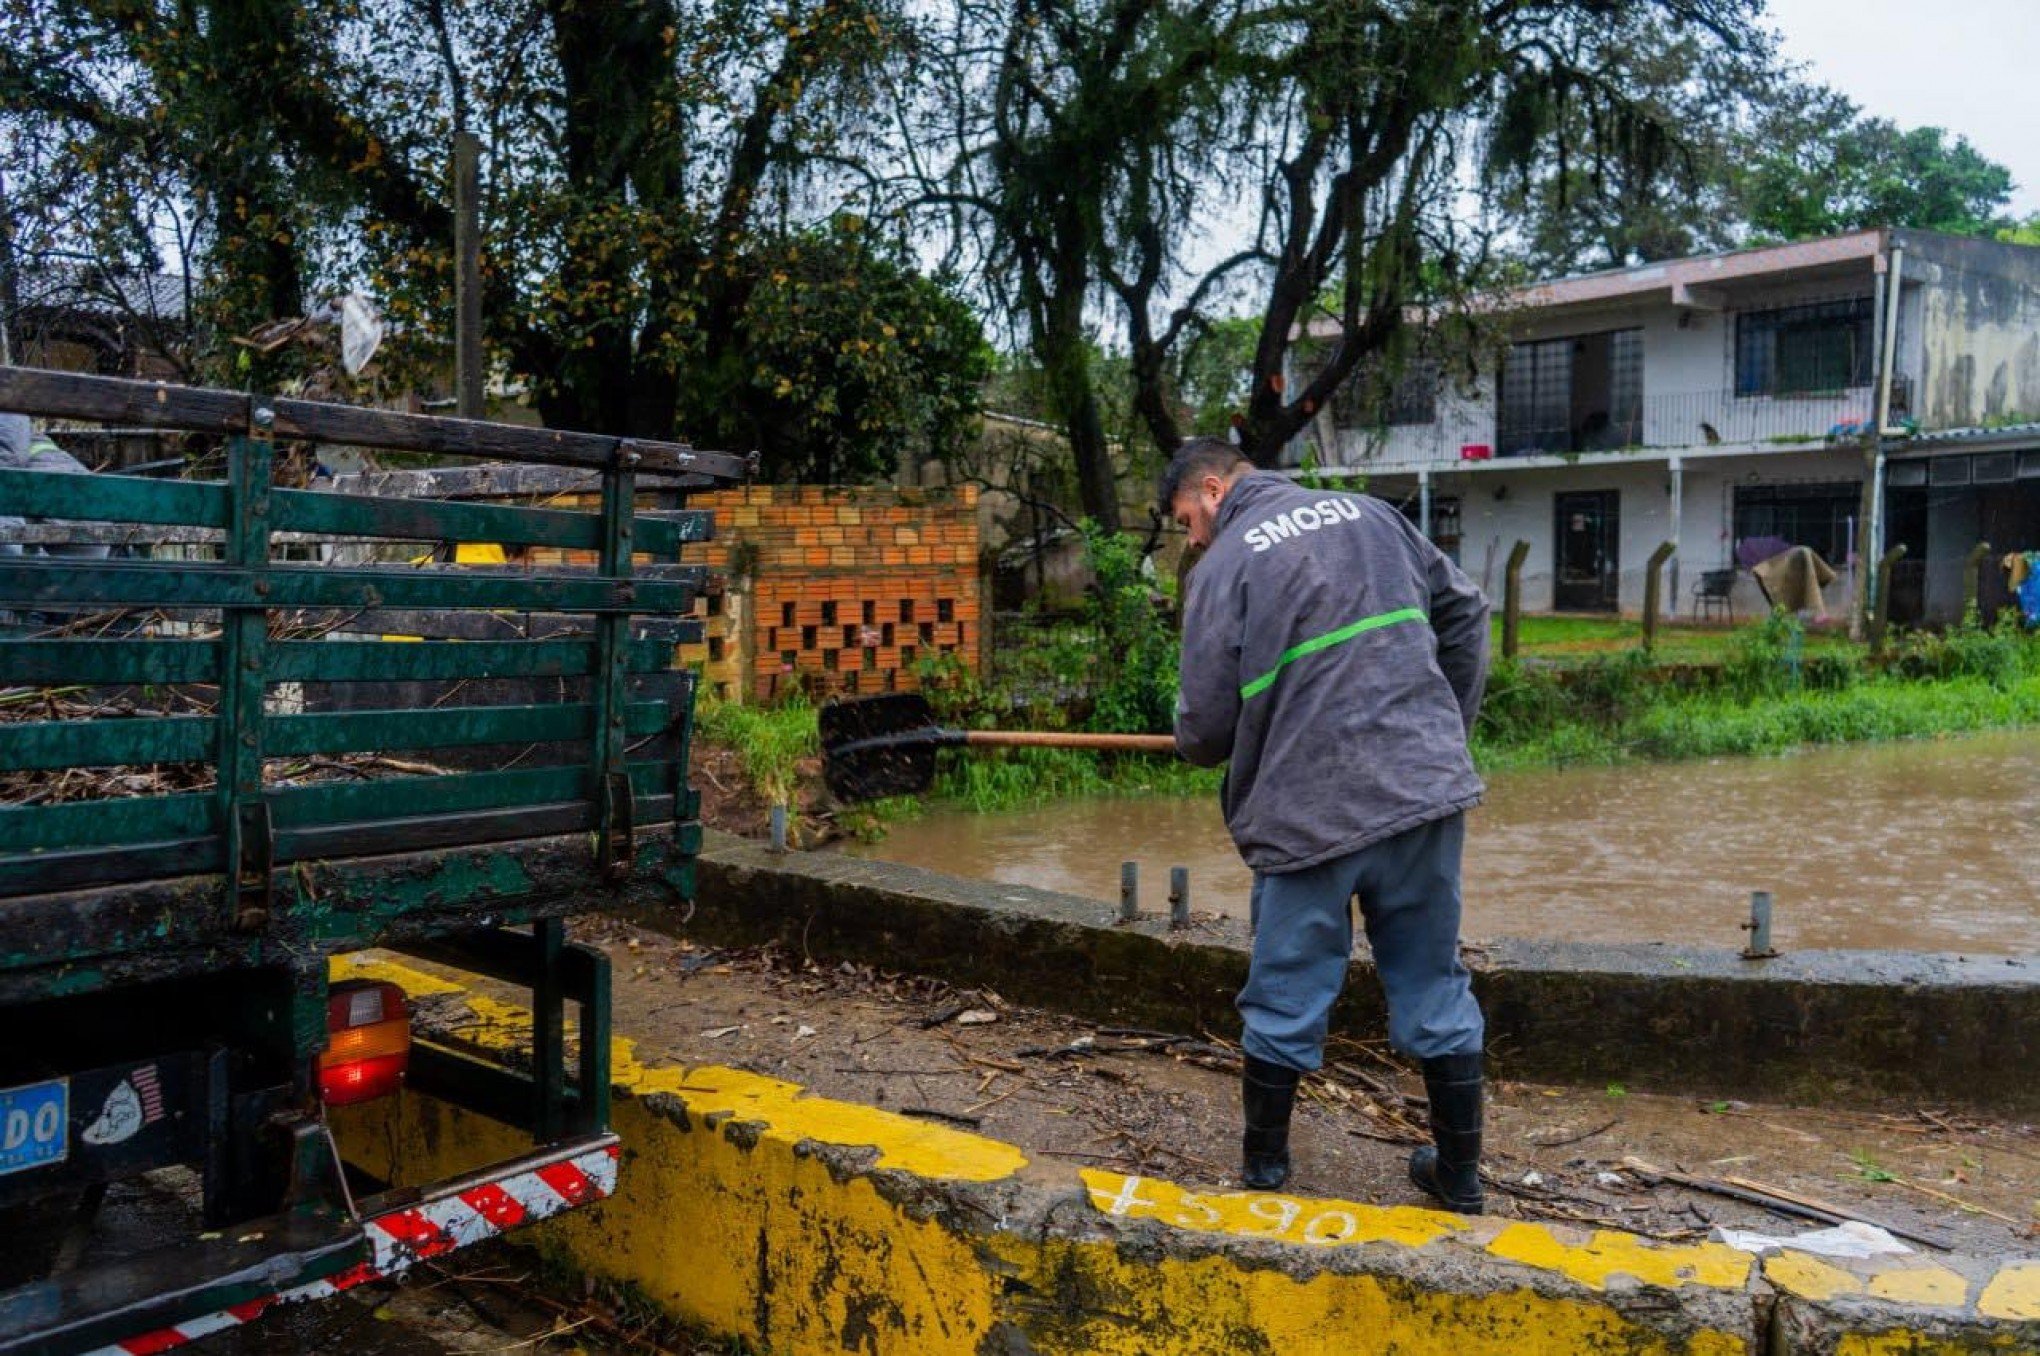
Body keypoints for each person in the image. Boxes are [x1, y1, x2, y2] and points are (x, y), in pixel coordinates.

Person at [1162, 436, 1492, 1213]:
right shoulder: (1375, 515)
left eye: (1186, 520)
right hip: (1422, 791)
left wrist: (1197, 738)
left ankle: (1265, 1175)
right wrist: (1445, 729)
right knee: (1434, 985)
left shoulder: (1226, 563)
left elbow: (1205, 729)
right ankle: (1460, 1178)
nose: (1191, 539)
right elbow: (1467, 613)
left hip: (1307, 811)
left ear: (1213, 490)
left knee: (1285, 991)